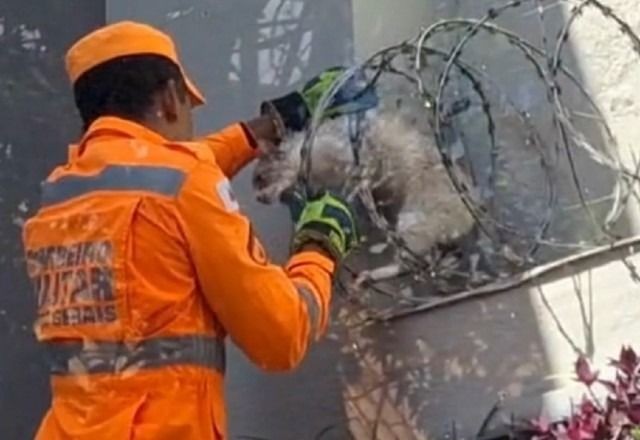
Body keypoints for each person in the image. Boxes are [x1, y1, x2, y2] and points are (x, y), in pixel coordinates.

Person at [20, 21, 377, 440]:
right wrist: (320, 244)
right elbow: (280, 337)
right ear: (171, 98)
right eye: (189, 106)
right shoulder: (182, 181)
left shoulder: (63, 194)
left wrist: (266, 128)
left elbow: (167, 172)